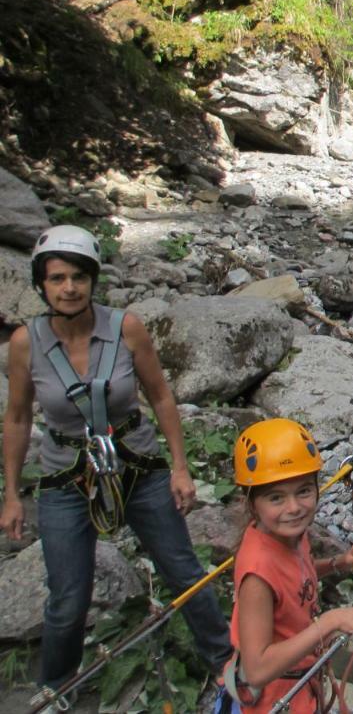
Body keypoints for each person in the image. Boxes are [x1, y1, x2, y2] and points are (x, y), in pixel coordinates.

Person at [0, 225, 232, 696]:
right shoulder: (28, 342)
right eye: (58, 278)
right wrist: (11, 495)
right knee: (68, 597)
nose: (69, 288)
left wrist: (181, 468)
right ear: (42, 285)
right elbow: (19, 418)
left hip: (137, 466)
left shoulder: (124, 327)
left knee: (181, 568)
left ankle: (225, 661)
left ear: (93, 281)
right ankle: (56, 687)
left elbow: (161, 396)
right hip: (66, 476)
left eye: (79, 277)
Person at [221, 418, 353, 713]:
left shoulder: (287, 536)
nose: (293, 507)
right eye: (276, 497)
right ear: (252, 503)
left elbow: (294, 577)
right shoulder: (257, 574)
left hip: (301, 678)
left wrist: (338, 563)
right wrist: (331, 621)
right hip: (277, 696)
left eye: (304, 491)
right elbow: (256, 670)